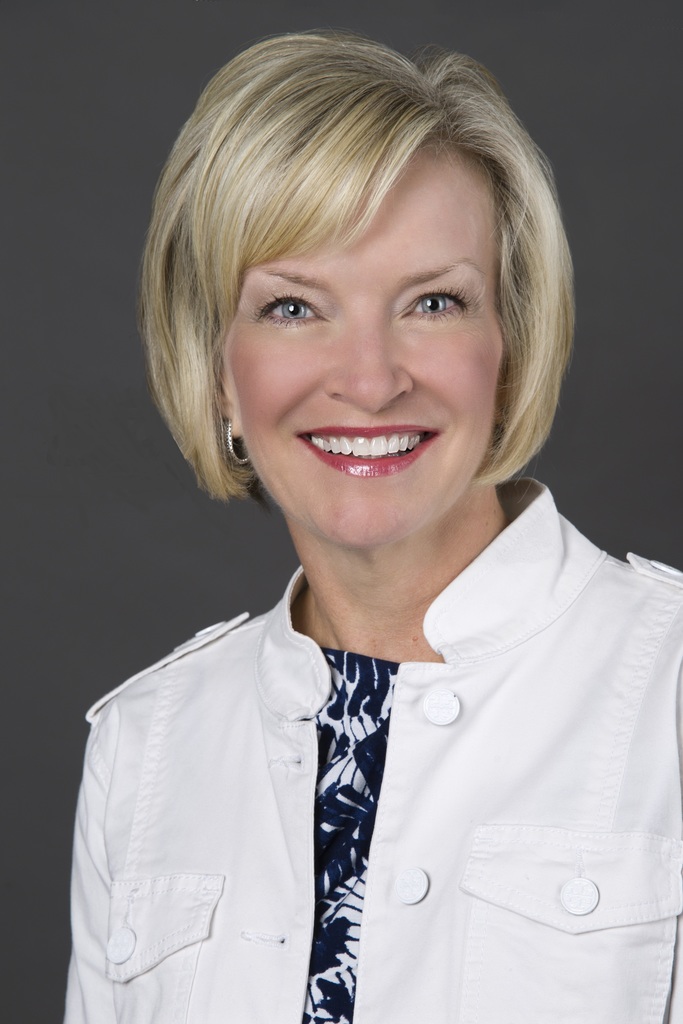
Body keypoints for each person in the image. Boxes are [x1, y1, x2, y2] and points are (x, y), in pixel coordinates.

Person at [64, 29, 683, 1024]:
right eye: (293, 308)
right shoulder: (145, 748)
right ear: (217, 371)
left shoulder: (667, 693)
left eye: (432, 301)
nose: (368, 379)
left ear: (509, 345)